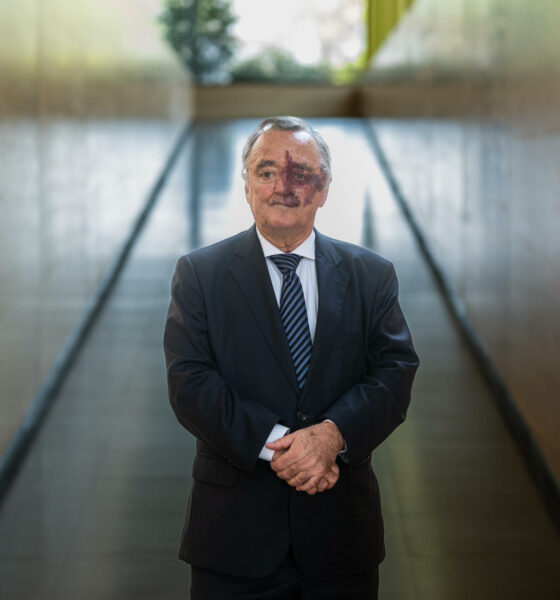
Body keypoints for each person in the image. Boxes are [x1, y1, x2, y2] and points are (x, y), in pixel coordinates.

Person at [163, 116, 419, 599]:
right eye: (266, 172)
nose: (282, 186)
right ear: (246, 186)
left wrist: (331, 436)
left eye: (300, 173)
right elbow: (191, 383)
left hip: (341, 539)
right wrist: (282, 446)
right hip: (233, 542)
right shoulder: (200, 274)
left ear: (324, 189)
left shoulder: (371, 275)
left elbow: (394, 372)